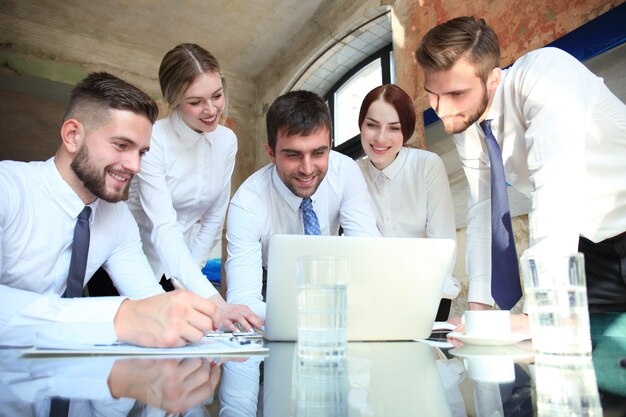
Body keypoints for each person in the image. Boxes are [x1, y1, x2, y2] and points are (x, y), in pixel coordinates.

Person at [415, 16, 626, 329]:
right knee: (588, 354)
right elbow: (483, 208)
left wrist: (537, 313)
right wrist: (480, 308)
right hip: (588, 245)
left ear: (493, 80)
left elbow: (555, 193)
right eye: (433, 93)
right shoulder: (468, 125)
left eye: (457, 94)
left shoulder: (547, 76)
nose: (442, 109)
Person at [0, 72, 218, 348]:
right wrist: (117, 317)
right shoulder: (7, 189)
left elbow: (148, 300)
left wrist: (188, 320)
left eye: (141, 152)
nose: (135, 166)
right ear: (72, 135)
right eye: (121, 145)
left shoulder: (117, 218)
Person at [126, 43, 262, 332]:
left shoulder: (226, 141)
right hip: (135, 262)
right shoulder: (154, 140)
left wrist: (192, 276)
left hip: (185, 267)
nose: (211, 109)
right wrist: (216, 302)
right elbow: (163, 227)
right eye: (196, 101)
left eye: (217, 95)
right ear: (174, 100)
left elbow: (214, 215)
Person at [225, 90, 381, 318]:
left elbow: (368, 252)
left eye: (318, 153)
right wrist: (310, 317)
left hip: (335, 285)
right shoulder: (247, 203)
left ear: (330, 145)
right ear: (271, 153)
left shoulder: (345, 171)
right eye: (293, 155)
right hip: (275, 291)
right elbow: (242, 302)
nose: (307, 169)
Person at [356, 84, 460, 320]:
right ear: (361, 126)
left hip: (428, 293)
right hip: (373, 298)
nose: (381, 138)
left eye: (394, 128)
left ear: (406, 131)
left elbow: (443, 245)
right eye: (372, 125)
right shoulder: (352, 174)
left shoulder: (426, 165)